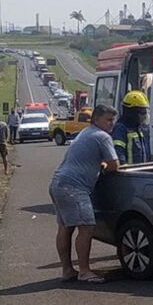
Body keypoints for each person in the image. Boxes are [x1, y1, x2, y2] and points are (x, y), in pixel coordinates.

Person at [48, 104, 120, 283]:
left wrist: (98, 164)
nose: (112, 124)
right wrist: (103, 166)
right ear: (96, 119)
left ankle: (67, 269)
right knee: (86, 228)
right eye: (108, 120)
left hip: (58, 182)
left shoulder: (85, 133)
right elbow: (114, 165)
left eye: (113, 120)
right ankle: (85, 271)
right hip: (74, 187)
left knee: (65, 227)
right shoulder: (102, 136)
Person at [111, 90, 151, 165]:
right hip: (128, 175)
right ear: (132, 112)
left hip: (140, 173)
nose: (145, 115)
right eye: (142, 111)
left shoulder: (139, 129)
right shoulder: (120, 129)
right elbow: (119, 155)